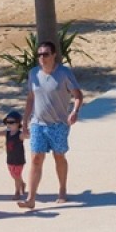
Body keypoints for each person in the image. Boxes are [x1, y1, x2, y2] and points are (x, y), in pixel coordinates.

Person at [18, 41, 83, 209]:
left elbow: (77, 95)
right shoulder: (33, 74)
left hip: (59, 124)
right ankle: (31, 199)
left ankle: (62, 189)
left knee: (59, 156)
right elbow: (31, 98)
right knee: (36, 158)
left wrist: (74, 111)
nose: (42, 58)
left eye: (46, 54)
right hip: (37, 124)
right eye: (39, 55)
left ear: (54, 55)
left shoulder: (64, 73)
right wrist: (24, 122)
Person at [0, 111, 27, 200]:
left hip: (19, 160)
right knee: (14, 175)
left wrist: (27, 130)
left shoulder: (20, 135)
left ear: (18, 123)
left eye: (12, 122)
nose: (9, 124)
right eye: (7, 122)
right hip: (10, 159)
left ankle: (17, 192)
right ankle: (22, 183)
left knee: (17, 175)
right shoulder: (7, 133)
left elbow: (28, 135)